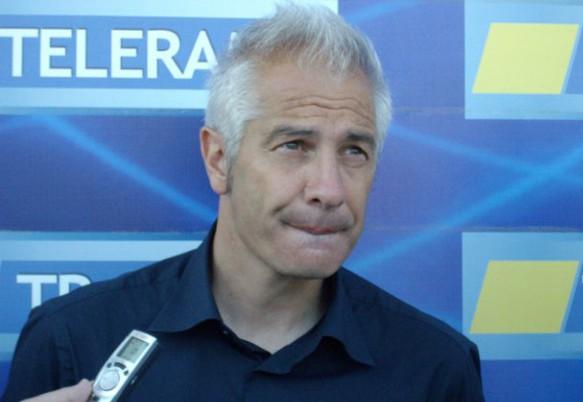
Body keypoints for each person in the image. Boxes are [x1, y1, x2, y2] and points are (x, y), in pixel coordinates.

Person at [2, 4, 485, 402]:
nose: (330, 189)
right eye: (294, 145)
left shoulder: (435, 369)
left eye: (354, 151)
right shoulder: (73, 340)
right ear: (219, 159)